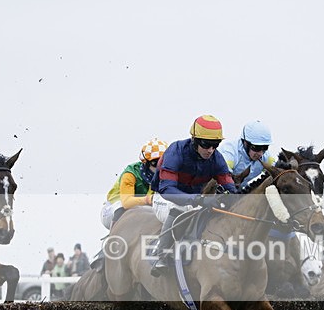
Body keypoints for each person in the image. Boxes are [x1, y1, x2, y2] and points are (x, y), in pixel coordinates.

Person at [150, 114, 237, 275]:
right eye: (206, 145)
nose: (210, 150)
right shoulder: (175, 151)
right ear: (194, 140)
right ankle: (160, 255)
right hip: (165, 198)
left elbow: (230, 186)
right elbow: (167, 190)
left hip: (195, 200)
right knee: (180, 209)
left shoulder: (217, 158)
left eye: (215, 145)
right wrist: (198, 199)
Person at [100, 138, 167, 230]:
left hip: (142, 211)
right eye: (155, 163)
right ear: (145, 162)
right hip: (112, 210)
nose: (159, 167)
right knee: (120, 208)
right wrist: (150, 200)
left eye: (163, 162)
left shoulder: (168, 175)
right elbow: (127, 203)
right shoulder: (130, 174)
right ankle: (113, 240)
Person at [219, 120, 277, 190]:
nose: (260, 154)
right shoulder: (230, 151)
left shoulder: (266, 156)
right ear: (245, 143)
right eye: (257, 148)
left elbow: (277, 170)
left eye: (265, 147)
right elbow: (223, 174)